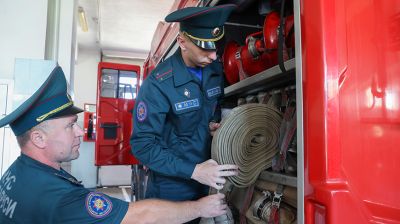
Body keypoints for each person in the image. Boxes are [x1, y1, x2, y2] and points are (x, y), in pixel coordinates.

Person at [0, 65, 229, 224]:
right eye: (71, 126)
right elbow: (139, 216)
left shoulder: (15, 173)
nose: (81, 131)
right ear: (39, 138)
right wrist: (201, 208)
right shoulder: (56, 196)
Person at [130, 4, 239, 205]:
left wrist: (213, 124)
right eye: (205, 49)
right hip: (172, 187)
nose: (213, 56)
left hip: (210, 178)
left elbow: (212, 107)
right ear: (182, 41)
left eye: (216, 47)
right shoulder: (158, 84)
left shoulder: (214, 70)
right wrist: (194, 171)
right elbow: (142, 146)